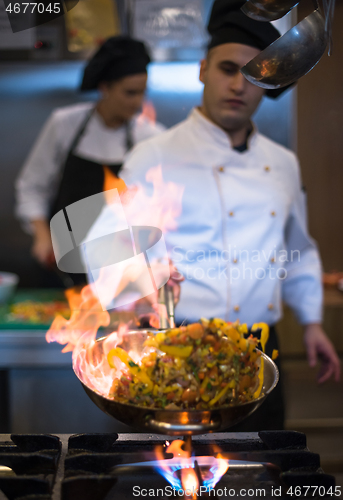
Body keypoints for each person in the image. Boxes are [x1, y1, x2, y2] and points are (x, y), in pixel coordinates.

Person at [84, 0, 341, 430]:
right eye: (227, 69)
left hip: (260, 352)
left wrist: (312, 321)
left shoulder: (282, 163)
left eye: (252, 74)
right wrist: (136, 294)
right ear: (203, 69)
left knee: (261, 478)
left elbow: (298, 249)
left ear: (268, 81)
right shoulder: (153, 155)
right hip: (180, 347)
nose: (238, 86)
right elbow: (105, 246)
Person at [15, 35, 164, 285]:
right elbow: (32, 186)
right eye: (129, 93)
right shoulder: (64, 124)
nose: (138, 102)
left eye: (142, 93)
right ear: (104, 87)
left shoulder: (151, 136)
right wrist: (41, 235)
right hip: (62, 267)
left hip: (124, 273)